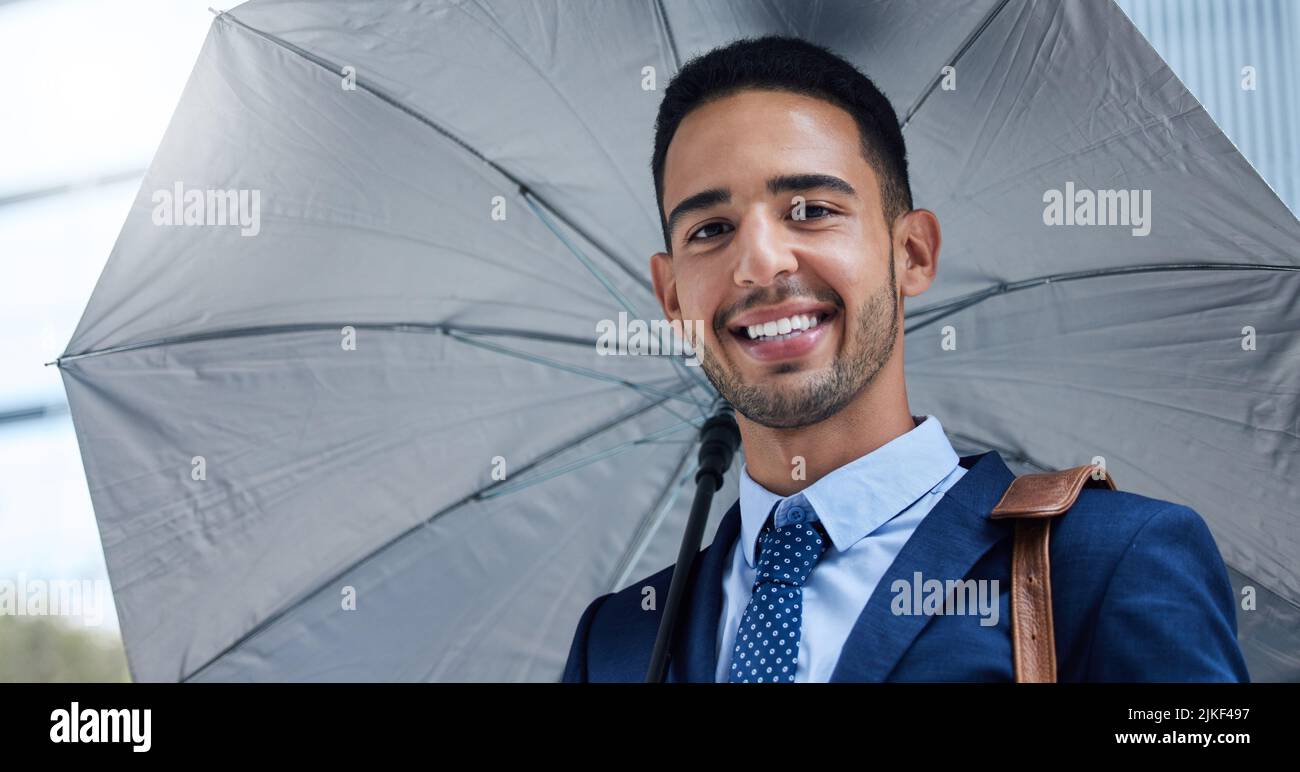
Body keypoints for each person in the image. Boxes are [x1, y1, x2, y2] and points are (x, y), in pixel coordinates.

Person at [562, 35, 1249, 682]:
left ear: (911, 253)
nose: (759, 263)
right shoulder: (617, 643)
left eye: (810, 209)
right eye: (711, 230)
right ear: (672, 294)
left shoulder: (1109, 563)